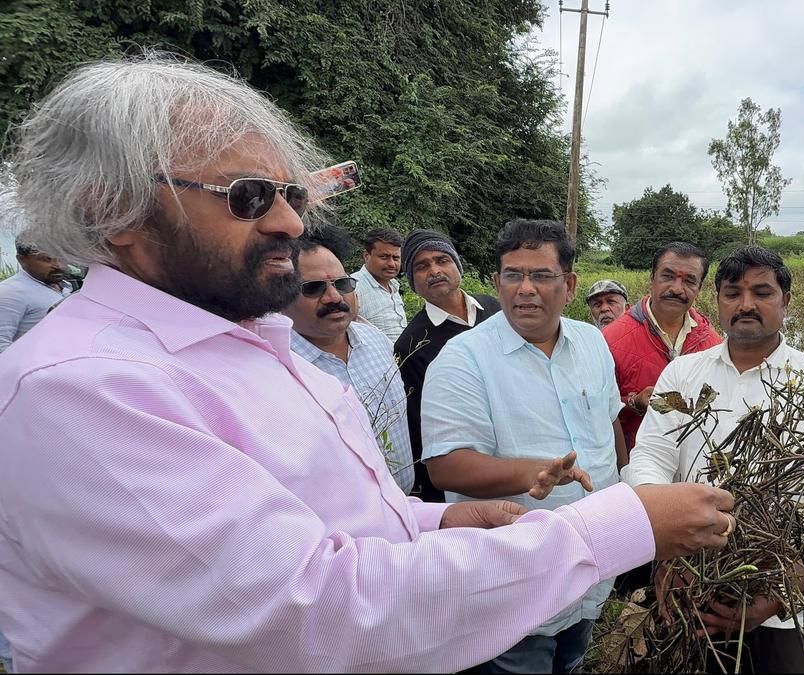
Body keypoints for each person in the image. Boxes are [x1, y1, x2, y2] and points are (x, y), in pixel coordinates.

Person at [0, 53, 738, 673]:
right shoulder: (81, 390)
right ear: (116, 213)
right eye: (248, 197)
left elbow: (322, 528)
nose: (291, 221)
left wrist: (429, 525)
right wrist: (616, 527)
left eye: (290, 194)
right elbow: (318, 604)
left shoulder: (246, 346)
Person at [623, 245, 804, 673]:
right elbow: (650, 458)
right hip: (693, 583)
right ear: (717, 301)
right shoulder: (682, 375)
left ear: (785, 301)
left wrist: (781, 589)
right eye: (733, 293)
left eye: (762, 292)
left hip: (792, 605)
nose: (746, 304)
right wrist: (667, 550)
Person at [421, 219, 629, 674]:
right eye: (513, 276)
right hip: (514, 581)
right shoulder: (463, 359)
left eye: (542, 276)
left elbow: (610, 422)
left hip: (590, 566)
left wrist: (624, 483)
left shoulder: (592, 342)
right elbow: (447, 467)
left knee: (572, 661)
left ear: (569, 285)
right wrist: (533, 473)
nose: (525, 289)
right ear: (496, 283)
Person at [283, 225, 415, 494]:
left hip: (410, 504)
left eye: (342, 284)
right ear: (281, 295)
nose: (333, 297)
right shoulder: (280, 367)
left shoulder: (375, 340)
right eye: (313, 288)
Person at [394, 228, 501, 502]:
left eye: (442, 260)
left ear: (457, 266)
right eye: (421, 266)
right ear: (412, 282)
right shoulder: (412, 344)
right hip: (470, 464)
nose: (434, 270)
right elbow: (421, 425)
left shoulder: (495, 309)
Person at [603, 241, 722, 448]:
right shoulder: (610, 339)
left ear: (699, 289)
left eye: (689, 281)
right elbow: (593, 412)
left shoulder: (713, 343)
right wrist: (634, 403)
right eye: (667, 276)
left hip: (694, 468)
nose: (676, 288)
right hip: (635, 467)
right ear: (652, 280)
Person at [0, 238, 73, 352]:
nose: (59, 265)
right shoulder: (10, 292)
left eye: (63, 258)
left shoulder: (64, 287)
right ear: (21, 259)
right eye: (46, 259)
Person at [350, 227, 408, 341]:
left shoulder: (394, 286)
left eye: (396, 258)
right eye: (384, 257)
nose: (391, 264)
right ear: (367, 256)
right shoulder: (353, 287)